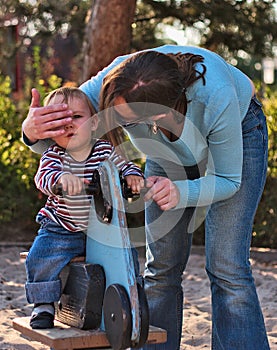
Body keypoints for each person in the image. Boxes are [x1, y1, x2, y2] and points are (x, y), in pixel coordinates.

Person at [22, 45, 270, 349]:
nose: (116, 122)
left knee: (226, 268)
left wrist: (181, 191)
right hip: (166, 154)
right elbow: (64, 133)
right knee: (161, 267)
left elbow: (229, 181)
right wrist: (31, 131)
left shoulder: (215, 98)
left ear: (160, 116)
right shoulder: (117, 79)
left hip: (237, 131)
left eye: (126, 120)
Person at [25, 86, 144, 329]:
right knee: (42, 255)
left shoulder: (104, 150)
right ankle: (43, 303)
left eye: (76, 117)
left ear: (93, 123)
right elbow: (43, 178)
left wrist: (133, 177)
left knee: (126, 253)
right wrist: (60, 181)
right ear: (50, 128)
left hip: (98, 227)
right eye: (61, 120)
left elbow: (124, 165)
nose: (69, 125)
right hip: (61, 225)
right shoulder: (53, 155)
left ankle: (133, 291)